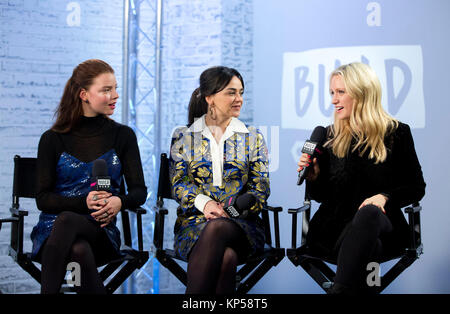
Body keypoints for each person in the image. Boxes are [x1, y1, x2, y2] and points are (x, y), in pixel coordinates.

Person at [297, 62, 426, 294]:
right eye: (332, 93)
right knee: (371, 247)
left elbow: (416, 188)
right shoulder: (329, 136)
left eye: (341, 92)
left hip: (383, 224)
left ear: (362, 92)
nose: (334, 100)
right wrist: (313, 177)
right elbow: (320, 196)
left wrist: (385, 197)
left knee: (369, 213)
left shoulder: (398, 133)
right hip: (335, 230)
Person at [31, 59, 147, 294]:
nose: (115, 95)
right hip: (53, 231)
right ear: (84, 94)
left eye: (115, 88)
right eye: (106, 90)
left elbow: (139, 192)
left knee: (72, 231)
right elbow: (43, 199)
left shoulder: (123, 136)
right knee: (77, 247)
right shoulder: (52, 139)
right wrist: (81, 202)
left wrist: (119, 201)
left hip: (101, 230)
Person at [169, 66, 270, 294]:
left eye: (241, 93)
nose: (239, 99)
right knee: (226, 258)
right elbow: (178, 184)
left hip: (243, 226)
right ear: (210, 98)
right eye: (231, 93)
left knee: (217, 229)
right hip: (193, 226)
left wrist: (232, 210)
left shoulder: (252, 137)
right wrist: (205, 204)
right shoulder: (183, 136)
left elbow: (261, 187)